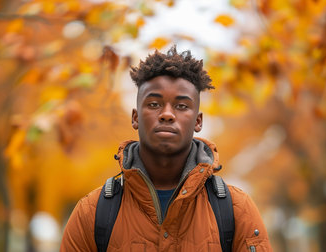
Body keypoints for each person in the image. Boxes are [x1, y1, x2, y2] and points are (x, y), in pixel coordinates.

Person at [60, 46, 272, 251]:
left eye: (181, 106)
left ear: (198, 121)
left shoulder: (236, 210)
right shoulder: (93, 212)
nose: (167, 114)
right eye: (153, 104)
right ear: (135, 118)